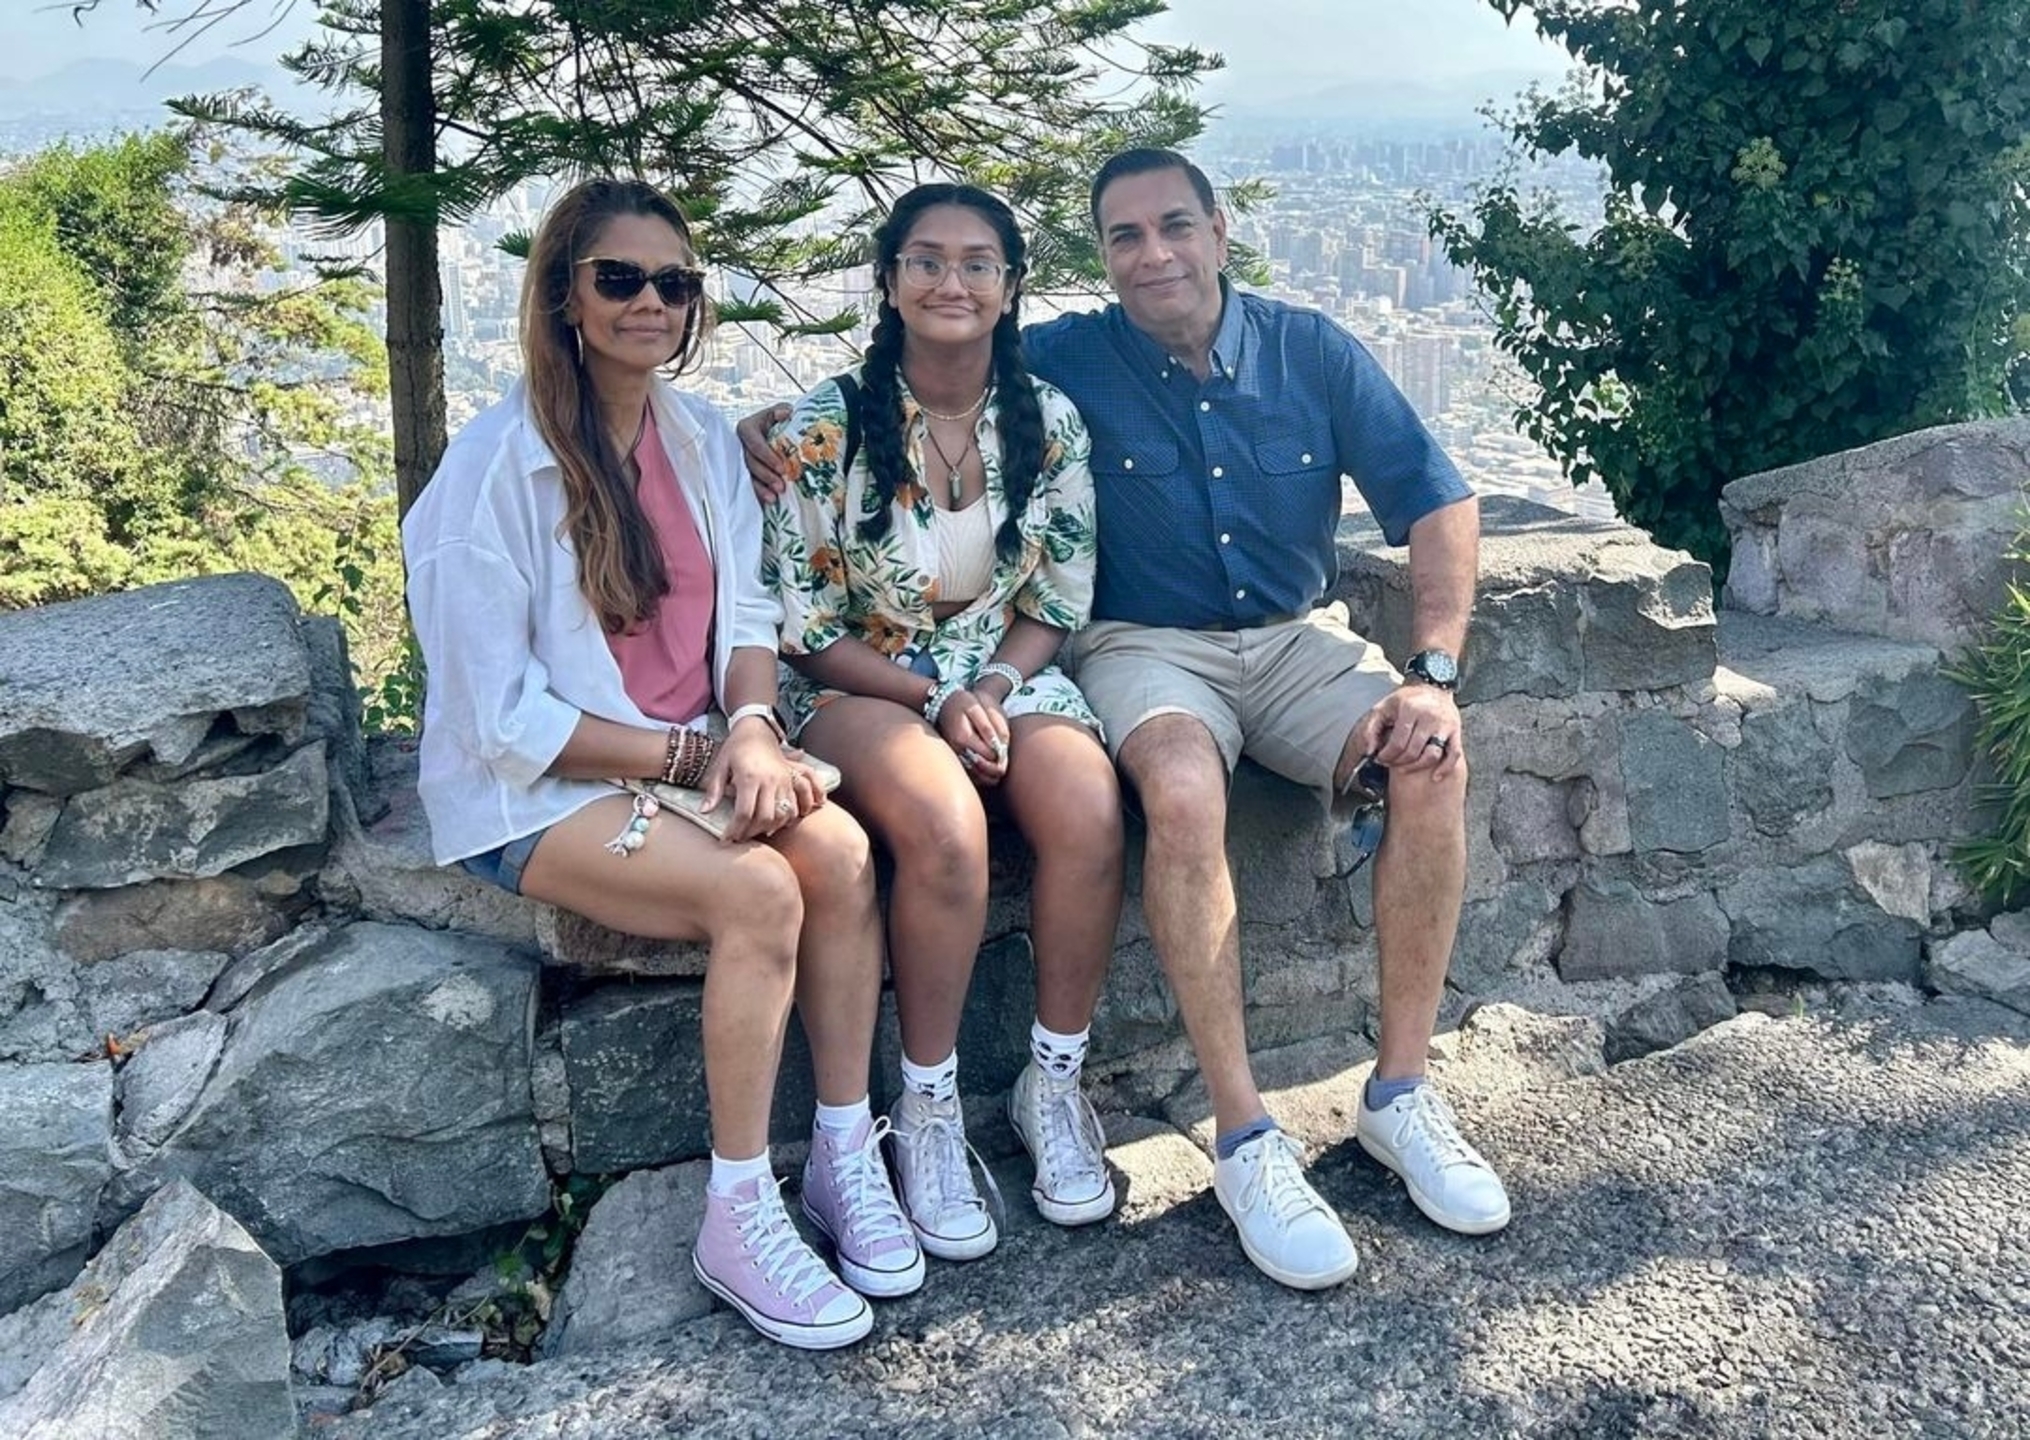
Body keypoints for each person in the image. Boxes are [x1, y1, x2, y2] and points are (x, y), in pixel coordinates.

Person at [745, 149, 1508, 1292]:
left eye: (1173, 227)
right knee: (1180, 792)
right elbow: (919, 371)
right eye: (1124, 237)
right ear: (1099, 259)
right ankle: (1243, 1136)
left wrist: (1432, 673)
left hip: (1290, 636)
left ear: (1218, 231)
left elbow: (1435, 499)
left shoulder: (1307, 351)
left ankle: (1400, 1092)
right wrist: (757, 428)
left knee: (1430, 760)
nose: (1153, 255)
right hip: (1143, 648)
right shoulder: (1059, 360)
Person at [403, 177, 918, 1352]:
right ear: (564, 296)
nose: (650, 302)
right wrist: (697, 751)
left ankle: (843, 1150)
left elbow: (748, 615)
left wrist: (752, 726)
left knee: (840, 856)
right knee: (759, 891)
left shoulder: (694, 439)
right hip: (537, 789)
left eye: (674, 283)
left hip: (693, 751)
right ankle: (735, 1212)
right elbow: (498, 719)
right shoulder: (493, 469)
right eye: (620, 279)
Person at [760, 182, 1124, 1263]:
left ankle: (1052, 1084)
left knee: (1088, 808)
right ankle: (926, 1108)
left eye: (977, 263)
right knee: (944, 826)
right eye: (925, 260)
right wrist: (932, 698)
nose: (950, 282)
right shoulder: (823, 427)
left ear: (1010, 288)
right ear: (888, 282)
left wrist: (994, 689)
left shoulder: (1047, 421)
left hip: (996, 673)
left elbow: (1054, 599)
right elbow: (804, 630)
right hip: (859, 683)